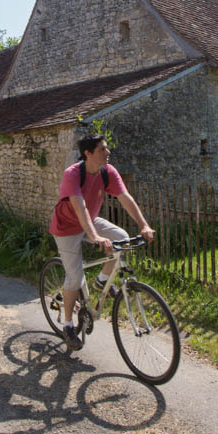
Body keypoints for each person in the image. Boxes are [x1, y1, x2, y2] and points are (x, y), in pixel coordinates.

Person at [49, 134, 155, 350]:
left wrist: (143, 224)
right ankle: (68, 325)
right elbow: (80, 208)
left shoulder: (108, 172)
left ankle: (102, 279)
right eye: (102, 149)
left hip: (90, 220)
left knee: (122, 238)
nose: (108, 152)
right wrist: (96, 237)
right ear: (88, 153)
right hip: (67, 227)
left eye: (107, 149)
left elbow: (125, 198)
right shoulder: (73, 174)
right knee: (75, 276)